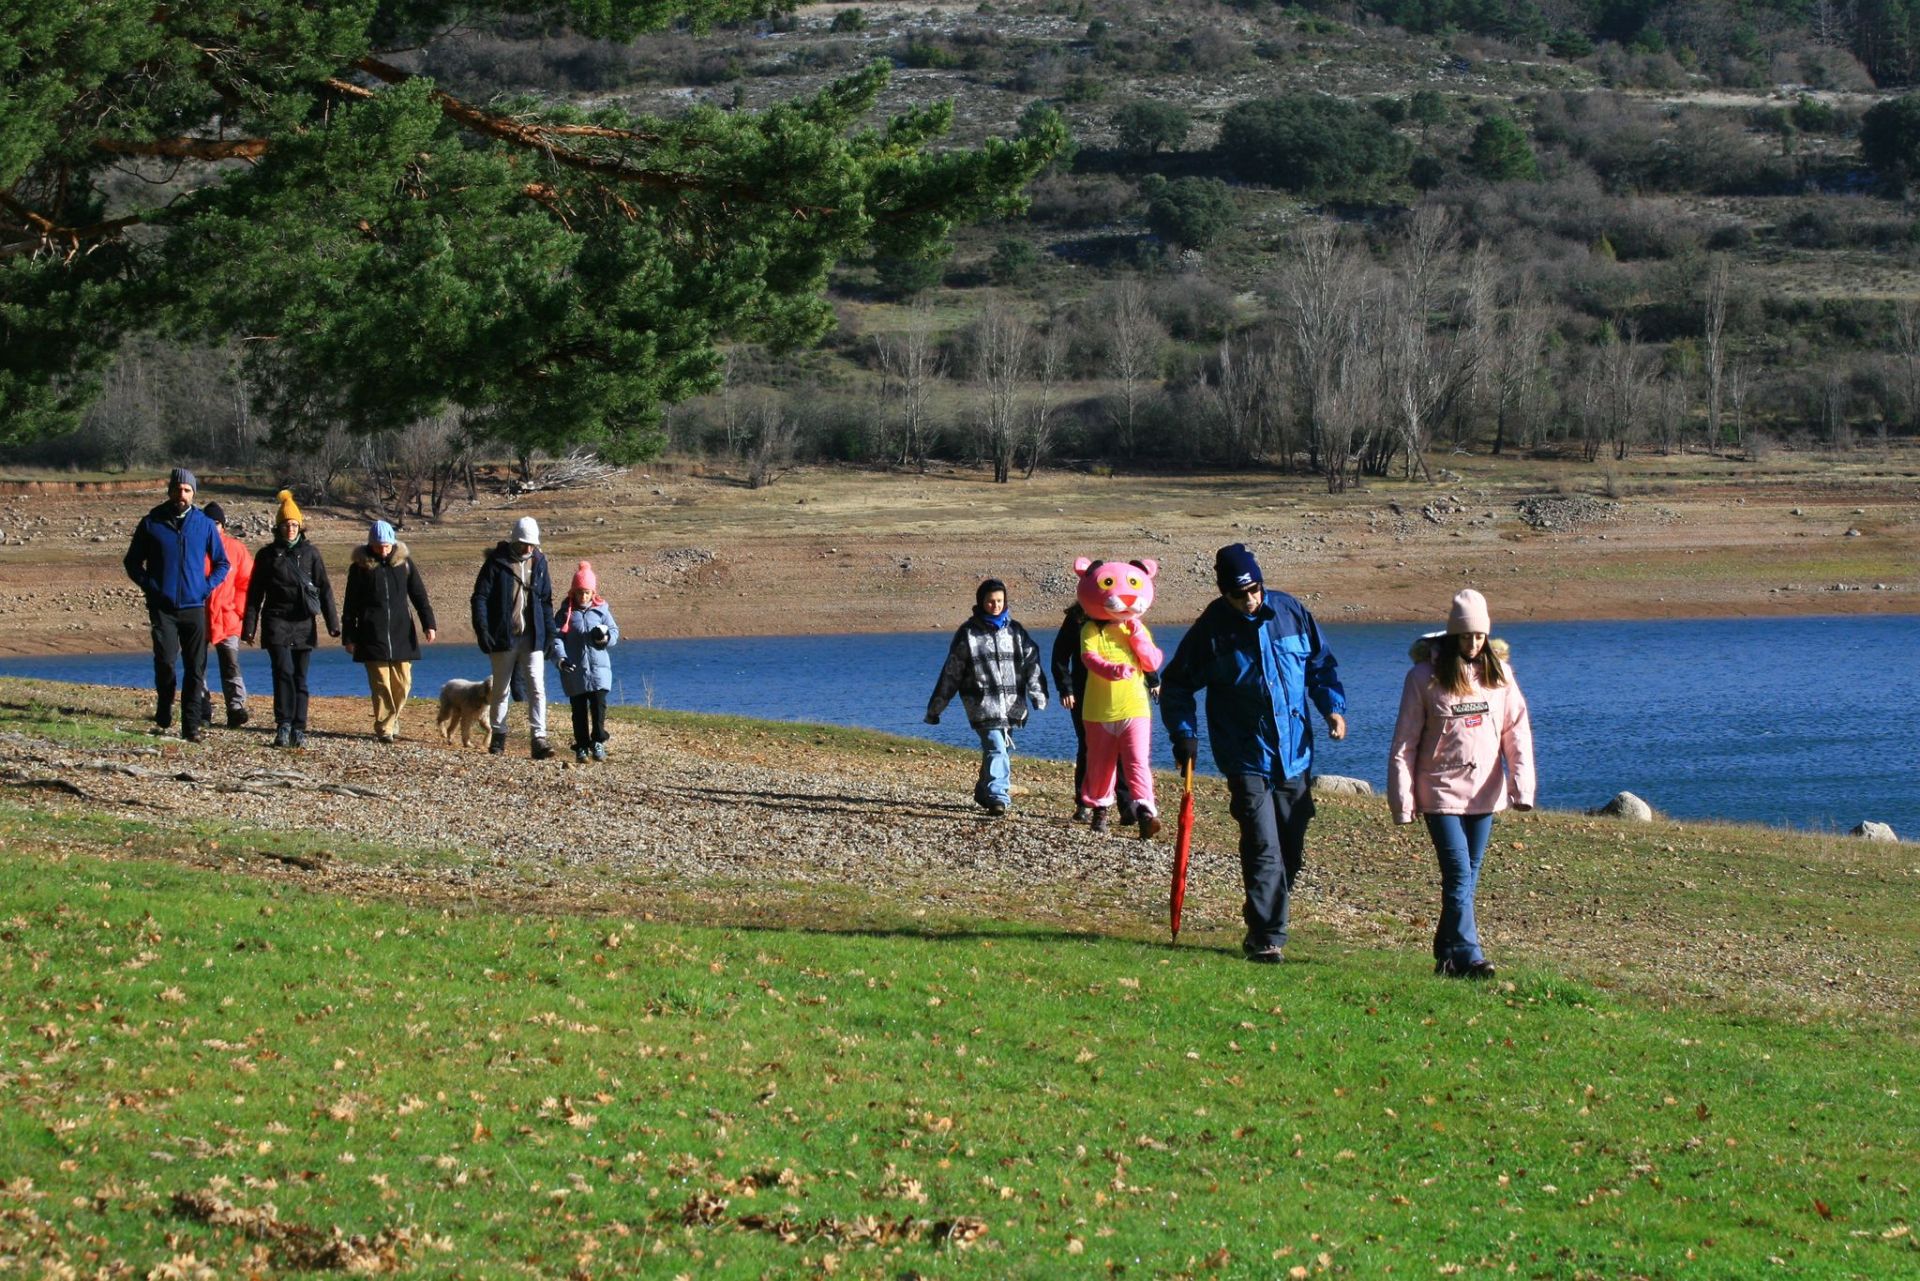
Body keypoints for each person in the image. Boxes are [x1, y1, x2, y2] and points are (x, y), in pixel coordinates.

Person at [1160, 544, 1347, 965]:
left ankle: (1261, 916)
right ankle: (1266, 937)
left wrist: (1332, 707)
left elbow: (1320, 665)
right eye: (1240, 594)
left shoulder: (1290, 611)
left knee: (1291, 847)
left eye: (1256, 590)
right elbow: (1177, 684)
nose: (1251, 600)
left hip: (1294, 753)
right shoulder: (1211, 630)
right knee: (1263, 845)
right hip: (1244, 755)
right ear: (1225, 594)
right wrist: (1184, 735)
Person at [1387, 589, 1535, 980]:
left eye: (1480, 636)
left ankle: (1447, 954)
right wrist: (1403, 802)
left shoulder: (1499, 675)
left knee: (1468, 875)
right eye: (1467, 636)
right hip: (1440, 792)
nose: (1473, 644)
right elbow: (1405, 742)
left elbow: (1516, 734)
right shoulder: (1424, 678)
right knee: (1458, 874)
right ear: (1453, 634)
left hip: (1485, 792)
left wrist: (1522, 788)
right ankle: (1471, 955)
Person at [925, 578, 1048, 817]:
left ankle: (984, 790)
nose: (995, 605)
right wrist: (936, 708)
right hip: (981, 703)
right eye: (990, 601)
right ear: (981, 602)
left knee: (1000, 746)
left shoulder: (1016, 631)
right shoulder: (968, 634)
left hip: (1012, 704)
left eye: (1000, 601)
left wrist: (1037, 693)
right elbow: (952, 672)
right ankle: (998, 797)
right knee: (995, 745)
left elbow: (1031, 663)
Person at [121, 467, 228, 742]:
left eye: (187, 490)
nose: (182, 494)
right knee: (166, 662)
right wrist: (151, 586)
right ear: (170, 490)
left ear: (193, 494)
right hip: (163, 607)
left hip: (194, 606)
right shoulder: (151, 523)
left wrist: (205, 586)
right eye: (178, 489)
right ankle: (164, 701)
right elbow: (132, 562)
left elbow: (222, 563)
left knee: (195, 668)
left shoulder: (203, 524)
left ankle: (191, 727)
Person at [1071, 557, 1164, 839]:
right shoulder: (1091, 628)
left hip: (1134, 707)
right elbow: (1090, 659)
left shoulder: (1136, 627)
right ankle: (1100, 810)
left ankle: (1146, 812)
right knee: (1100, 763)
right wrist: (1113, 670)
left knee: (1137, 760)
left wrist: (1138, 638)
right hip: (1099, 710)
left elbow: (1152, 662)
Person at [242, 489, 339, 748]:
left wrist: (333, 624)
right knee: (283, 671)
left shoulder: (311, 554)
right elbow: (255, 593)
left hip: (304, 623)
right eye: (285, 525)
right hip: (276, 621)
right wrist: (249, 627)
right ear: (278, 527)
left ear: (300, 526)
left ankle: (299, 727)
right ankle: (283, 724)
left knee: (300, 677)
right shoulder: (267, 555)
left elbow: (325, 589)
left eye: (294, 525)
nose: (290, 529)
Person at [1051, 602, 1160, 827]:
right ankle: (1084, 803)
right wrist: (1066, 688)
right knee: (1091, 749)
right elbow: (1060, 656)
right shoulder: (1078, 619)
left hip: (1126, 696)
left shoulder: (1125, 619)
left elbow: (1138, 652)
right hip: (1086, 693)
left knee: (1126, 751)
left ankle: (1127, 806)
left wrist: (1153, 679)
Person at [341, 519, 438, 743]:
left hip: (401, 632)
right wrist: (349, 636)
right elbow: (350, 604)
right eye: (378, 546)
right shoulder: (360, 567)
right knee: (380, 683)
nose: (383, 550)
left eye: (386, 546)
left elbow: (419, 596)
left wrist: (429, 624)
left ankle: (392, 719)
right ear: (370, 545)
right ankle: (385, 727)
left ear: (393, 544)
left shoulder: (404, 564)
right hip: (370, 634)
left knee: (403, 684)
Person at [471, 515, 555, 759]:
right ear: (514, 541)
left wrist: (549, 632)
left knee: (537, 687)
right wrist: (483, 631)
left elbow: (546, 600)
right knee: (501, 688)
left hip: (533, 636)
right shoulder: (495, 563)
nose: (528, 549)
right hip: (503, 636)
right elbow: (480, 598)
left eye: (532, 545)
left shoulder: (539, 562)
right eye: (524, 544)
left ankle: (539, 738)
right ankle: (499, 736)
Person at [547, 561, 620, 763]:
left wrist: (606, 639)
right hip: (575, 670)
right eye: (579, 592)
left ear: (593, 592)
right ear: (574, 591)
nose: (583, 596)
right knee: (578, 711)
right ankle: (581, 746)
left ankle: (598, 741)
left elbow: (614, 632)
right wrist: (561, 659)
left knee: (598, 707)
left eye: (587, 592)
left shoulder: (602, 610)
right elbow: (556, 638)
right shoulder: (565, 614)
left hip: (599, 671)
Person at [199, 501, 253, 729]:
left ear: (223, 525)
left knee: (230, 663)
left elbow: (246, 583)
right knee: (196, 664)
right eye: (209, 523)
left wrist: (239, 610)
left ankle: (236, 708)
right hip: (198, 615)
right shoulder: (194, 547)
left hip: (228, 616)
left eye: (217, 523)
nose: (213, 527)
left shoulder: (236, 549)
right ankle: (202, 710)